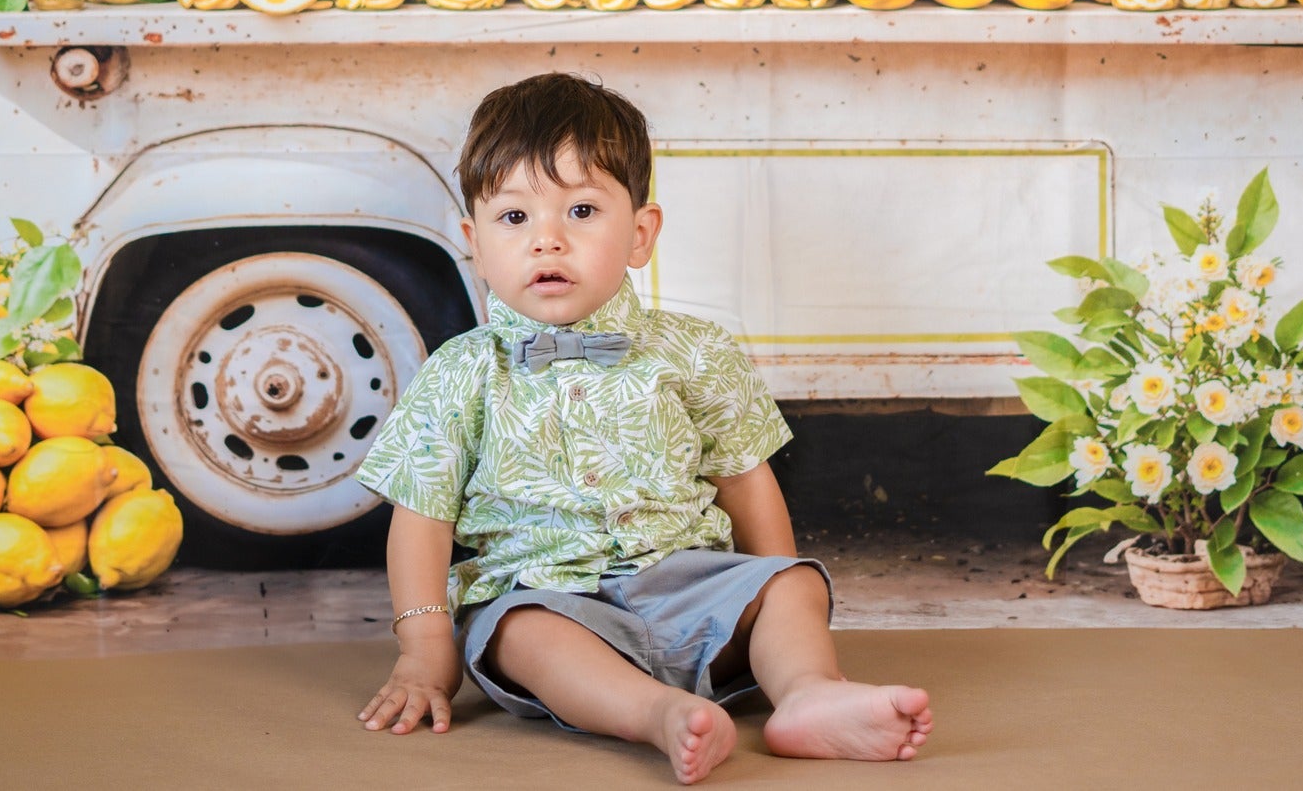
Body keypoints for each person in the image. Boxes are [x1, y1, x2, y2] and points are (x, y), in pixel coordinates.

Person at [353, 72, 932, 784]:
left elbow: (746, 481)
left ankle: (810, 693)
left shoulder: (695, 351)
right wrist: (424, 650)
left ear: (640, 233)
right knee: (517, 631)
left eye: (583, 210)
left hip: (689, 582)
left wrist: (764, 588)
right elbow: (422, 518)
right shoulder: (459, 373)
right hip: (549, 594)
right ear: (475, 241)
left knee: (794, 585)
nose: (548, 243)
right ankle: (655, 715)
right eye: (515, 219)